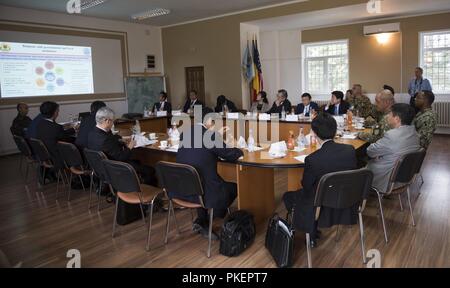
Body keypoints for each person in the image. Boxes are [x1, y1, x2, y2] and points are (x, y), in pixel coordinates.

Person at [283, 113, 357, 247]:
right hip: (346, 201)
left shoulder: (313, 159)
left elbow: (306, 186)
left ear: (314, 133)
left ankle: (309, 232)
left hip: (320, 205)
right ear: (335, 131)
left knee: (288, 196)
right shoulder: (350, 150)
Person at [175, 107, 243, 239]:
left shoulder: (185, 133)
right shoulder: (210, 136)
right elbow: (230, 154)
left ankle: (203, 219)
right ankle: (215, 213)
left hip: (185, 188)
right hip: (205, 190)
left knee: (201, 181)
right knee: (234, 187)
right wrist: (240, 150)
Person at [87, 107, 157, 185]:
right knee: (150, 170)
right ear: (106, 121)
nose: (113, 124)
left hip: (99, 169)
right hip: (115, 169)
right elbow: (121, 157)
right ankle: (145, 193)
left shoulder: (92, 133)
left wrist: (121, 139)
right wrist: (130, 146)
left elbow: (110, 138)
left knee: (137, 162)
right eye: (112, 121)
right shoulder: (106, 139)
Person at [367, 103, 421, 193]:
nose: (387, 116)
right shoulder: (415, 133)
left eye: (390, 114)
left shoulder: (391, 135)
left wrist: (379, 155)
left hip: (385, 178)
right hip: (405, 177)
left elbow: (370, 151)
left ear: (397, 119)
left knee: (355, 168)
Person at [35, 101, 76, 169]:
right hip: (57, 157)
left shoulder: (40, 124)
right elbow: (66, 138)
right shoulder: (55, 127)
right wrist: (74, 129)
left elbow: (56, 133)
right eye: (57, 111)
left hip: (45, 155)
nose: (58, 113)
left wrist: (67, 128)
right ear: (54, 112)